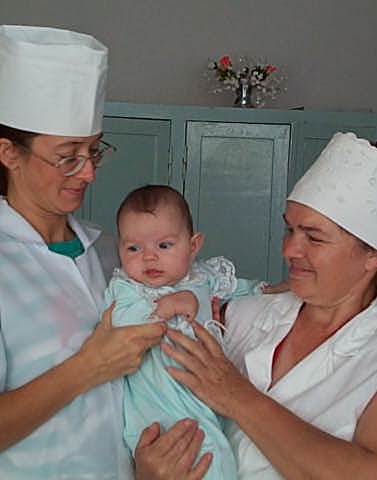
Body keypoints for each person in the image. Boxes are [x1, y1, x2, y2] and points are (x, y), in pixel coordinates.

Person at [0, 25, 184, 479]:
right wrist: (88, 366)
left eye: (94, 152)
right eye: (67, 156)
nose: (88, 173)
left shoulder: (112, 257)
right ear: (9, 153)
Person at [150, 132, 377, 479]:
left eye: (314, 237)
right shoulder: (241, 316)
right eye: (290, 230)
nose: (289, 250)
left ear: (373, 253)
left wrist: (235, 394)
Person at [105, 184, 269, 480]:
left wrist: (279, 291)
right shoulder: (127, 289)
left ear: (193, 246)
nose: (149, 257)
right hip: (158, 410)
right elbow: (122, 326)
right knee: (203, 463)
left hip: (205, 402)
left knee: (220, 458)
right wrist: (171, 306)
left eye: (164, 246)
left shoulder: (205, 277)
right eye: (133, 248)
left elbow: (250, 290)